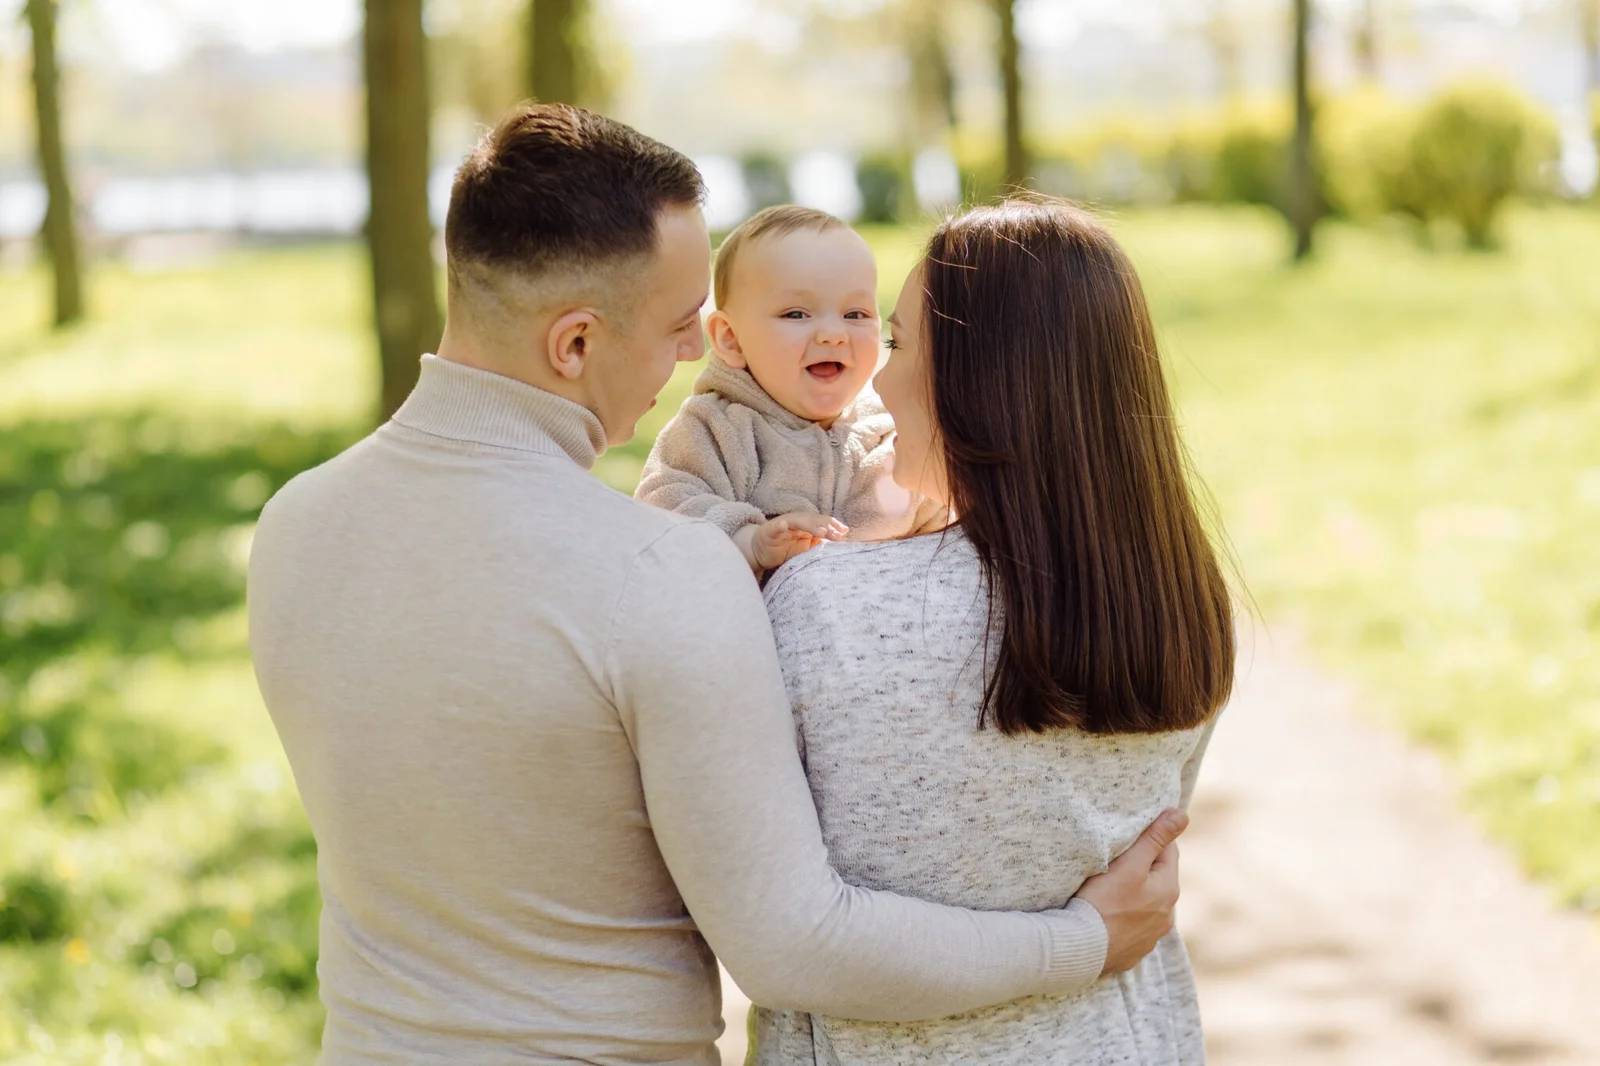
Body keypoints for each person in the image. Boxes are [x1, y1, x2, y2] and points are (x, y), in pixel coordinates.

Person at [247, 104, 1188, 1066]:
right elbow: (796, 941)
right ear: (574, 345)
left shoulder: (293, 526)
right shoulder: (660, 572)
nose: (701, 353)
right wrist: (1081, 940)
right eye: (675, 326)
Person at [750, 198, 1236, 1065]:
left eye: (897, 344)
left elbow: (782, 936)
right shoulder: (1174, 606)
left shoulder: (824, 606)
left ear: (978, 383)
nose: (874, 379)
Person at [637, 205, 945, 573]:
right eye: (797, 314)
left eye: (855, 314)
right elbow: (664, 505)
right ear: (731, 339)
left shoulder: (890, 429)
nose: (833, 333)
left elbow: (946, 514)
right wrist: (750, 541)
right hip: (765, 624)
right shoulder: (715, 428)